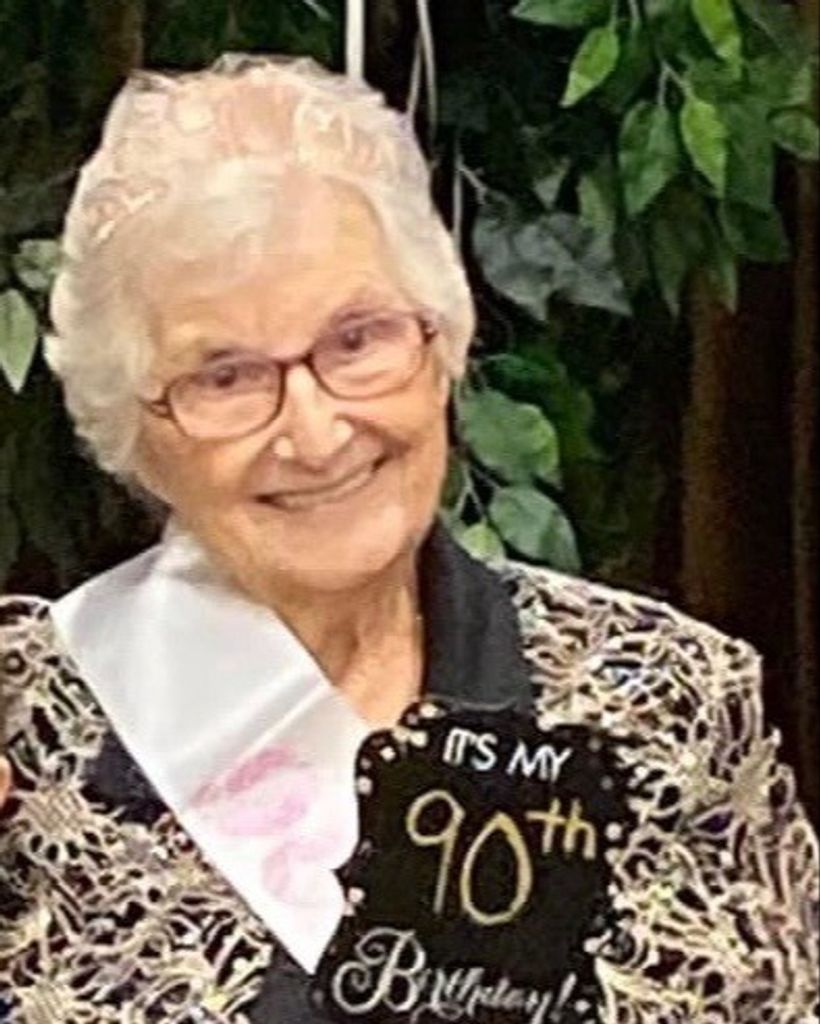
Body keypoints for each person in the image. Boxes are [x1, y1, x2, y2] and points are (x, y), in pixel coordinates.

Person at [0, 53, 817, 1023]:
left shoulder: (673, 700)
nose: (314, 434)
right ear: (134, 432)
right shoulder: (28, 725)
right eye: (225, 377)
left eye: (357, 340)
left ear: (442, 343)